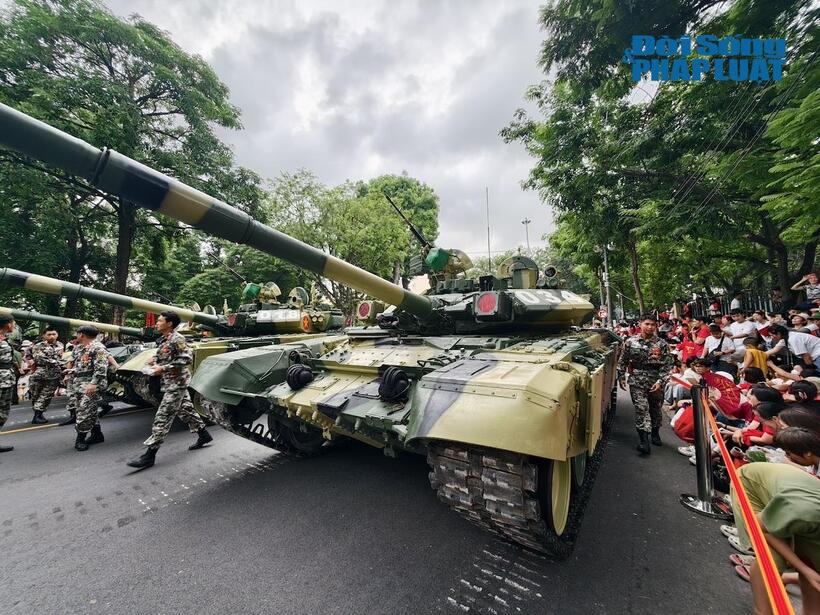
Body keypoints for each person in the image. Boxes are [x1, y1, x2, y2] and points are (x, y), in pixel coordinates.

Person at [731, 460, 820, 614]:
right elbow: (762, 529)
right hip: (751, 487)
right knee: (774, 560)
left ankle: (789, 578)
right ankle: (762, 610)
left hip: (794, 499)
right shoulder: (806, 513)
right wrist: (803, 569)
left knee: (814, 576)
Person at [127, 311, 213, 469]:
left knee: (163, 416)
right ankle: (204, 435)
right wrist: (155, 360)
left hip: (177, 384)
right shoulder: (164, 339)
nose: (156, 323)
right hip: (171, 382)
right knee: (186, 410)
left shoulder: (177, 338)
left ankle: (149, 455)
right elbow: (169, 356)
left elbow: (186, 358)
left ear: (169, 324)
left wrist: (162, 367)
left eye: (160, 321)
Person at [618, 315, 674, 455]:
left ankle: (655, 433)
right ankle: (644, 441)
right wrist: (621, 376)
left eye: (653, 325)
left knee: (655, 408)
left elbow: (667, 365)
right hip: (637, 379)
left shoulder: (661, 344)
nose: (650, 327)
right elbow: (622, 360)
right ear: (640, 324)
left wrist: (660, 381)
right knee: (641, 408)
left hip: (655, 380)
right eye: (647, 324)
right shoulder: (630, 342)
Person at [70, 325, 109, 451]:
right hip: (79, 383)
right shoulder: (79, 348)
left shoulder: (98, 348)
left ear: (81, 334)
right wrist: (71, 371)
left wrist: (94, 383)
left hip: (91, 384)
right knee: (88, 410)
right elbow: (81, 365)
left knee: (84, 411)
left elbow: (101, 367)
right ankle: (97, 434)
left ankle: (80, 438)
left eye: (77, 333)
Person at [28, 327, 64, 425]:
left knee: (46, 395)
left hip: (54, 374)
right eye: (49, 334)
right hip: (40, 373)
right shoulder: (38, 346)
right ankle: (38, 414)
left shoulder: (60, 345)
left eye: (54, 334)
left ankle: (38, 415)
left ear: (57, 335)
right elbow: (39, 358)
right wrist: (58, 362)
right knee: (36, 395)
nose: (52, 336)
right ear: (44, 335)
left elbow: (62, 356)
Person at [0, 314, 17, 453]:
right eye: (13, 323)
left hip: (6, 379)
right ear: (8, 324)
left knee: (3, 412)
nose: (14, 325)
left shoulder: (5, 339)